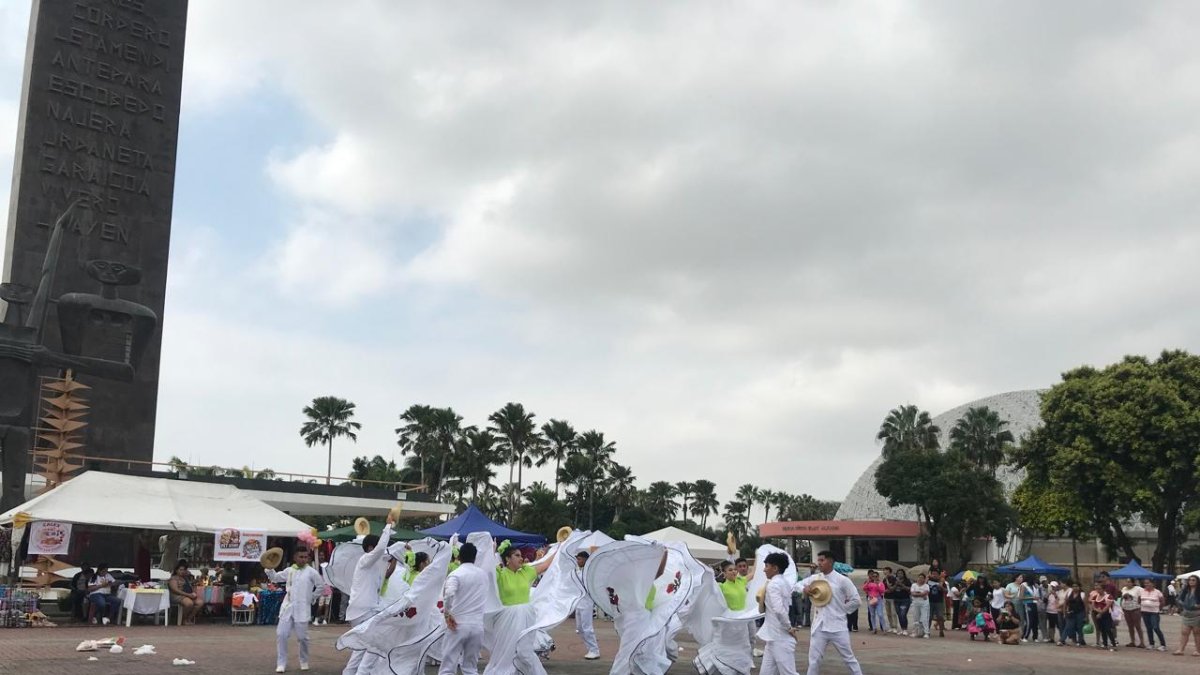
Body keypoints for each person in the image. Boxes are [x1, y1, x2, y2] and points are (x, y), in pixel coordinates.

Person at [483, 540, 557, 675]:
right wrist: (491, 551)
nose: (521, 558)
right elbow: (485, 568)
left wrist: (561, 548)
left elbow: (546, 564)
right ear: (507, 559)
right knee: (505, 650)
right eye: (517, 555)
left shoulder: (526, 572)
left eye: (521, 555)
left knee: (524, 651)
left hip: (526, 616)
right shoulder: (500, 574)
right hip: (506, 619)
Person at [343, 516, 395, 675]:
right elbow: (381, 550)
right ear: (371, 547)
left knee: (362, 648)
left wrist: (401, 550)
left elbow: (388, 557)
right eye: (377, 545)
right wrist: (387, 526)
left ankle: (349, 673)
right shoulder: (365, 559)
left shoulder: (374, 564)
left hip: (364, 610)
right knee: (374, 645)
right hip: (363, 611)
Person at [798, 550, 862, 675]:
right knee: (814, 660)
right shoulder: (815, 578)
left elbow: (856, 600)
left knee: (849, 658)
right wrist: (804, 589)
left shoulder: (842, 580)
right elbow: (797, 585)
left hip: (838, 626)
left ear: (831, 561)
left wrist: (842, 610)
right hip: (819, 626)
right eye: (819, 560)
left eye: (822, 560)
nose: (819, 563)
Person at [265, 547, 324, 673]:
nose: (303, 559)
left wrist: (312, 598)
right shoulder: (289, 570)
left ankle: (304, 660)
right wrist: (269, 567)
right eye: (301, 557)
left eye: (305, 557)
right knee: (281, 634)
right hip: (287, 607)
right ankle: (281, 663)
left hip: (302, 608)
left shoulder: (311, 572)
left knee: (302, 637)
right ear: (295, 557)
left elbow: (320, 585)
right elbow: (275, 578)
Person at [440, 542, 488, 675]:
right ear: (475, 557)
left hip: (458, 624)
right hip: (477, 625)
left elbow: (449, 594)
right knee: (470, 667)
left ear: (459, 557)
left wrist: (447, 614)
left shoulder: (456, 574)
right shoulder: (483, 575)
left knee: (448, 666)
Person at [756, 552, 798, 675]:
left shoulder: (773, 584)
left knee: (789, 673)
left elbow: (779, 610)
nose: (764, 570)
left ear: (775, 568)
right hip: (773, 637)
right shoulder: (783, 582)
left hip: (780, 638)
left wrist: (789, 627)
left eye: (766, 566)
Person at [575, 551, 600, 660]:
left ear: (585, 560)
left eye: (580, 559)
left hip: (586, 603)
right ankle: (590, 649)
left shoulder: (589, 572)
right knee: (580, 629)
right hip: (579, 603)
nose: (578, 561)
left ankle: (594, 650)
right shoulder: (579, 571)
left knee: (587, 628)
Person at [168, 560, 201, 625]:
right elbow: (175, 590)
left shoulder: (186, 578)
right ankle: (183, 619)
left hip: (187, 595)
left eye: (184, 570)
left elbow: (190, 586)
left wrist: (193, 593)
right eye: (181, 570)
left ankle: (189, 618)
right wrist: (188, 595)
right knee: (189, 603)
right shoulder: (173, 578)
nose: (182, 572)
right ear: (176, 570)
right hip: (177, 596)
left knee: (200, 602)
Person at [1088, 580, 1117, 651]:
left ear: (1103, 589)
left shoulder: (1108, 596)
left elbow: (1107, 607)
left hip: (1106, 615)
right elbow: (1093, 607)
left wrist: (1100, 612)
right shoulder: (1095, 596)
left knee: (1108, 629)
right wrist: (1098, 611)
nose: (1098, 590)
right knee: (1102, 629)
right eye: (1097, 589)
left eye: (1100, 589)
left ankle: (1113, 644)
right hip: (1097, 614)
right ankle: (1105, 644)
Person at [1175, 574, 1200, 656]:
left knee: (1197, 633)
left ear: (1197, 582)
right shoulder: (1185, 590)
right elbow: (1178, 599)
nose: (1191, 581)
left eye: (1193, 580)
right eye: (1190, 580)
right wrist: (1182, 604)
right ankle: (1180, 649)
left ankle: (1198, 650)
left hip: (1197, 614)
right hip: (1186, 613)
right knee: (1184, 632)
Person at [1140, 579, 1167, 652]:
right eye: (1145, 583)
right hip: (1145, 612)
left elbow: (1162, 601)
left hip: (1154, 612)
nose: (1146, 584)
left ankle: (1163, 644)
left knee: (1156, 627)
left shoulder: (1157, 592)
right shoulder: (1142, 591)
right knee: (1148, 628)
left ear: (1152, 584)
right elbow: (1139, 600)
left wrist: (1159, 608)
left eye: (1148, 583)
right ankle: (1151, 643)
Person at [1119, 578, 1146, 649]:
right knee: (1130, 626)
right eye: (1127, 582)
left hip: (1135, 609)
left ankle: (1142, 642)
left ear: (1133, 583)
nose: (1128, 583)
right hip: (1126, 609)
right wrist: (1121, 606)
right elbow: (1122, 598)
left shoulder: (1138, 589)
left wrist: (1140, 605)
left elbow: (1142, 597)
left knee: (1138, 626)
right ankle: (1132, 641)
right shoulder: (1124, 589)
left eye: (1129, 582)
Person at [1061, 582, 1088, 647]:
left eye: (1076, 586)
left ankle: (1080, 641)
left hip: (1080, 613)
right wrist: (1064, 613)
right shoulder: (1069, 593)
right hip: (1071, 613)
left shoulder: (1082, 594)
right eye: (1073, 586)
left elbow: (1086, 606)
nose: (1074, 588)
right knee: (1068, 626)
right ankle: (1062, 640)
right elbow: (1065, 603)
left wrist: (1086, 616)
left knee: (1079, 627)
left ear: (1079, 587)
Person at [862, 570, 888, 634]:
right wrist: (867, 583)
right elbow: (864, 588)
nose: (875, 577)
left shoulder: (880, 583)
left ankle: (884, 628)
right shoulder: (870, 583)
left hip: (878, 599)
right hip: (871, 599)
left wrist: (877, 585)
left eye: (876, 576)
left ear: (878, 576)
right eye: (873, 576)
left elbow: (882, 591)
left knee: (880, 614)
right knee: (872, 614)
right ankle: (874, 628)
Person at [909, 573, 930, 638]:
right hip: (915, 603)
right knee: (916, 618)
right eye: (919, 577)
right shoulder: (914, 585)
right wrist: (921, 594)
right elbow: (912, 594)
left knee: (924, 618)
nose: (920, 579)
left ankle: (926, 632)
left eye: (922, 578)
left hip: (924, 604)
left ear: (924, 579)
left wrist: (917, 593)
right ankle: (915, 632)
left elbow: (925, 593)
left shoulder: (926, 586)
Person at [1020, 574, 1040, 642]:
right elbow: (1021, 597)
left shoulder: (1034, 586)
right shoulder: (1024, 585)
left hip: (1034, 603)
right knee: (1029, 621)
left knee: (1035, 621)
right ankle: (1025, 636)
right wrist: (1032, 597)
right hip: (1027, 604)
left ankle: (1035, 637)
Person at [892, 569, 911, 634]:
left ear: (903, 574)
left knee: (903, 614)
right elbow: (891, 589)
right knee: (899, 615)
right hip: (896, 600)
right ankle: (902, 629)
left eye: (901, 573)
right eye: (898, 573)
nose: (899, 574)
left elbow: (910, 589)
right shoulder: (894, 580)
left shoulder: (907, 581)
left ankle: (905, 629)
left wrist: (901, 585)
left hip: (905, 599)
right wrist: (896, 584)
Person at [928, 572, 946, 637]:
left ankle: (941, 631)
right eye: (933, 574)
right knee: (929, 616)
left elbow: (946, 591)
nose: (934, 575)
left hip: (939, 602)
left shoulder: (942, 582)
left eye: (936, 574)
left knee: (940, 616)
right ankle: (927, 630)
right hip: (930, 601)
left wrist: (941, 587)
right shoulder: (928, 581)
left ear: (938, 575)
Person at [882, 566, 899, 634]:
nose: (885, 572)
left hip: (892, 598)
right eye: (884, 570)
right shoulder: (884, 579)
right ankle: (891, 626)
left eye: (886, 570)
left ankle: (895, 627)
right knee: (888, 613)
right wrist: (885, 590)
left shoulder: (893, 578)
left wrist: (887, 580)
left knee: (893, 613)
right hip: (886, 598)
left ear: (889, 571)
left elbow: (891, 588)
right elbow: (883, 588)